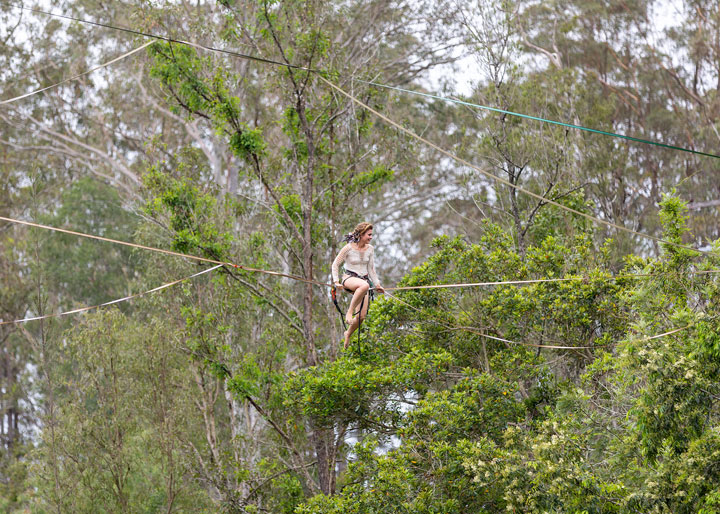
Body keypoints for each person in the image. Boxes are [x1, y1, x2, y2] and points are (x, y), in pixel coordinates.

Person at [332, 222, 385, 349]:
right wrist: (336, 281)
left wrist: (377, 284)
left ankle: (348, 334)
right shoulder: (348, 248)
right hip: (349, 278)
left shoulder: (370, 249)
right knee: (364, 286)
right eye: (369, 235)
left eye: (371, 235)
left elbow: (371, 269)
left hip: (364, 282)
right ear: (361, 235)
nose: (371, 237)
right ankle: (349, 313)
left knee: (361, 317)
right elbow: (335, 264)